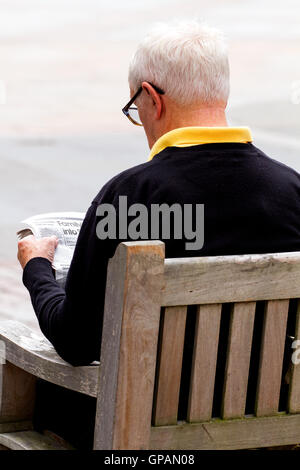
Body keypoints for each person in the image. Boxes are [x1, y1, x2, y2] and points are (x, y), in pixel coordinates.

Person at [17, 20, 300, 449]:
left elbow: (75, 342)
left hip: (146, 434)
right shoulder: (293, 191)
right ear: (220, 93)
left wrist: (37, 267)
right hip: (271, 427)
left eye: (136, 108)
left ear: (151, 97)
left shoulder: (127, 198)